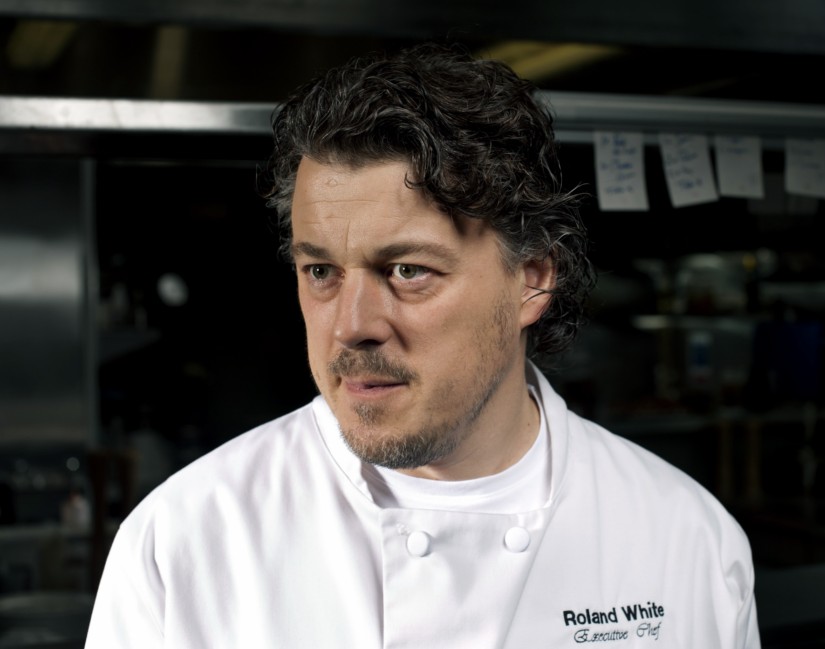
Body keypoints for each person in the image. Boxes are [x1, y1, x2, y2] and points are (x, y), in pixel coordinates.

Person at [84, 41, 760, 648]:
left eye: (408, 270)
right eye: (321, 271)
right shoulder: (184, 542)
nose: (351, 325)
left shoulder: (686, 540)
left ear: (532, 279)